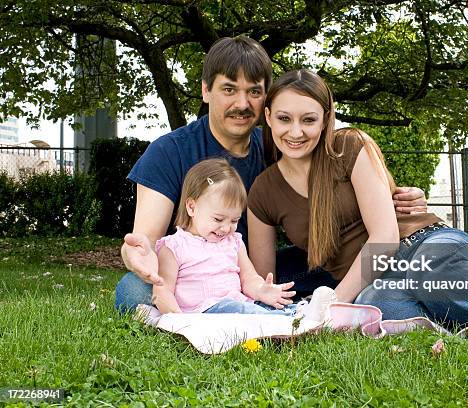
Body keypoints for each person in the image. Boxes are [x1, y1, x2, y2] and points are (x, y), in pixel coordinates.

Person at [247, 69, 468, 340]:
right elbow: (265, 283)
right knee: (380, 303)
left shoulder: (350, 147)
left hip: (427, 246)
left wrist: (333, 306)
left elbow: (385, 236)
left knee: (428, 276)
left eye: (308, 119)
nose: (295, 131)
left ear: (326, 118)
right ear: (268, 117)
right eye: (284, 118)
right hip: (378, 280)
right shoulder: (263, 192)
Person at [115, 36, 427, 312]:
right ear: (206, 91)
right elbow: (145, 240)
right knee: (133, 289)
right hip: (192, 273)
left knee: (328, 271)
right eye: (228, 89)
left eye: (253, 91)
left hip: (261, 270)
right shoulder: (170, 151)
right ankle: (204, 312)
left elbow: (343, 172)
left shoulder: (282, 142)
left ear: (266, 99)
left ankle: (312, 305)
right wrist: (137, 255)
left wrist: (396, 196)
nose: (241, 103)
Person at [151, 157, 335, 319]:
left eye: (234, 220)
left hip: (240, 306)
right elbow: (163, 289)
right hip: (205, 312)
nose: (225, 228)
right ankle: (294, 319)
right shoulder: (174, 246)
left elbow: (249, 279)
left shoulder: (234, 242)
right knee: (236, 309)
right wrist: (177, 319)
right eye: (218, 219)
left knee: (262, 305)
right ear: (192, 207)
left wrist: (263, 290)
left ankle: (300, 313)